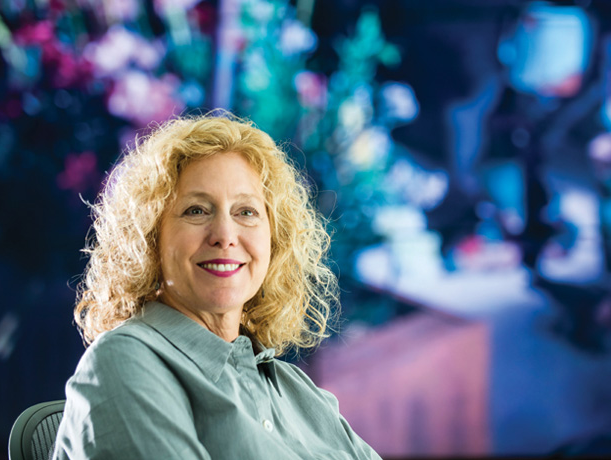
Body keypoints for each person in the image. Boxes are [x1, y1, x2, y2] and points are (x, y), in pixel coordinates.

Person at [52, 113, 381, 459]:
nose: (225, 235)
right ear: (150, 238)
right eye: (196, 210)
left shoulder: (295, 389)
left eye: (246, 212)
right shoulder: (124, 362)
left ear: (275, 238)